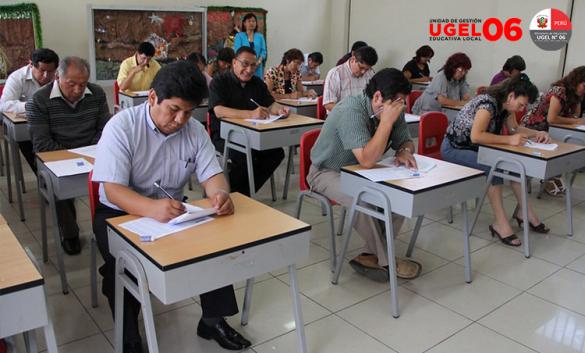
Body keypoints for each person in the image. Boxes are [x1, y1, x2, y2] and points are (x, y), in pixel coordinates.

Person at [92, 61, 251, 353]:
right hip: (118, 213)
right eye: (174, 110)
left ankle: (213, 320)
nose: (180, 120)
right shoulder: (122, 127)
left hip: (172, 212)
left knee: (213, 245)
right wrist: (151, 209)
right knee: (124, 266)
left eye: (188, 112)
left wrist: (219, 195)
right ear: (152, 97)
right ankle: (128, 336)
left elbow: (213, 176)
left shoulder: (194, 131)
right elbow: (113, 191)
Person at [308, 68, 422, 282]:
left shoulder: (390, 108)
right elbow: (367, 160)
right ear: (378, 97)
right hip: (326, 171)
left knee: (398, 196)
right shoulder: (351, 110)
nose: (401, 107)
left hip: (360, 172)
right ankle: (387, 260)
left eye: (402, 103)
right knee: (363, 200)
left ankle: (370, 255)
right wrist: (386, 122)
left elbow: (406, 140)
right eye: (397, 102)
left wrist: (405, 151)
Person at [442, 74, 550, 246]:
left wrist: (538, 133)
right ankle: (500, 223)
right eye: (521, 104)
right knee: (495, 168)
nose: (521, 108)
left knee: (514, 165)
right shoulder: (487, 104)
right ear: (511, 96)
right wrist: (509, 140)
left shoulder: (506, 106)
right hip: (455, 148)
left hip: (478, 149)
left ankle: (525, 212)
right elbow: (476, 136)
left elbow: (514, 128)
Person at [27, 56, 110, 255]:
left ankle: (109, 232)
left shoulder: (96, 93)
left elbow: (105, 129)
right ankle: (70, 233)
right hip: (57, 156)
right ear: (57, 77)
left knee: (117, 180)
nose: (77, 90)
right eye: (71, 84)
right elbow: (42, 144)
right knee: (59, 187)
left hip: (91, 153)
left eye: (82, 84)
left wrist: (92, 152)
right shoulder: (39, 100)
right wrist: (75, 156)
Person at [209, 46, 289, 196]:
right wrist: (251, 114)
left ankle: (241, 193)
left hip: (253, 134)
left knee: (276, 153)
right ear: (234, 63)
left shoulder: (257, 83)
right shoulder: (220, 81)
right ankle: (233, 193)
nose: (249, 69)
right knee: (244, 155)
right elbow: (218, 111)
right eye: (245, 64)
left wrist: (279, 110)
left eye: (253, 65)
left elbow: (270, 103)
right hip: (225, 135)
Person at [521, 66, 585, 196]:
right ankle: (548, 177)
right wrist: (576, 121)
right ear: (577, 80)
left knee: (567, 146)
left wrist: (576, 117)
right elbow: (552, 118)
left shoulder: (577, 94)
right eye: (584, 85)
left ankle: (552, 177)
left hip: (552, 129)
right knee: (559, 147)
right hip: (534, 127)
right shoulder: (559, 90)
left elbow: (575, 115)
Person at [0, 48, 59, 171]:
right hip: (28, 124)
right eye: (42, 70)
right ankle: (42, 175)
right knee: (30, 139)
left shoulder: (59, 77)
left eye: (50, 71)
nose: (46, 76)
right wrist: (33, 106)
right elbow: (4, 105)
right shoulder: (17, 78)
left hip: (54, 120)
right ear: (31, 64)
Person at [323, 46, 377, 112]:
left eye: (367, 69)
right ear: (353, 59)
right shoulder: (335, 73)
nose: (363, 72)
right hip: (340, 116)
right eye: (361, 67)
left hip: (363, 116)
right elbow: (328, 104)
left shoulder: (370, 73)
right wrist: (350, 113)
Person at [233, 13, 267, 78]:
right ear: (244, 23)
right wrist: (246, 63)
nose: (251, 23)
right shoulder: (239, 36)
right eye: (249, 21)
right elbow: (237, 51)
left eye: (253, 21)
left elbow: (263, 51)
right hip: (243, 66)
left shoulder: (260, 36)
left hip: (257, 67)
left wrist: (258, 62)